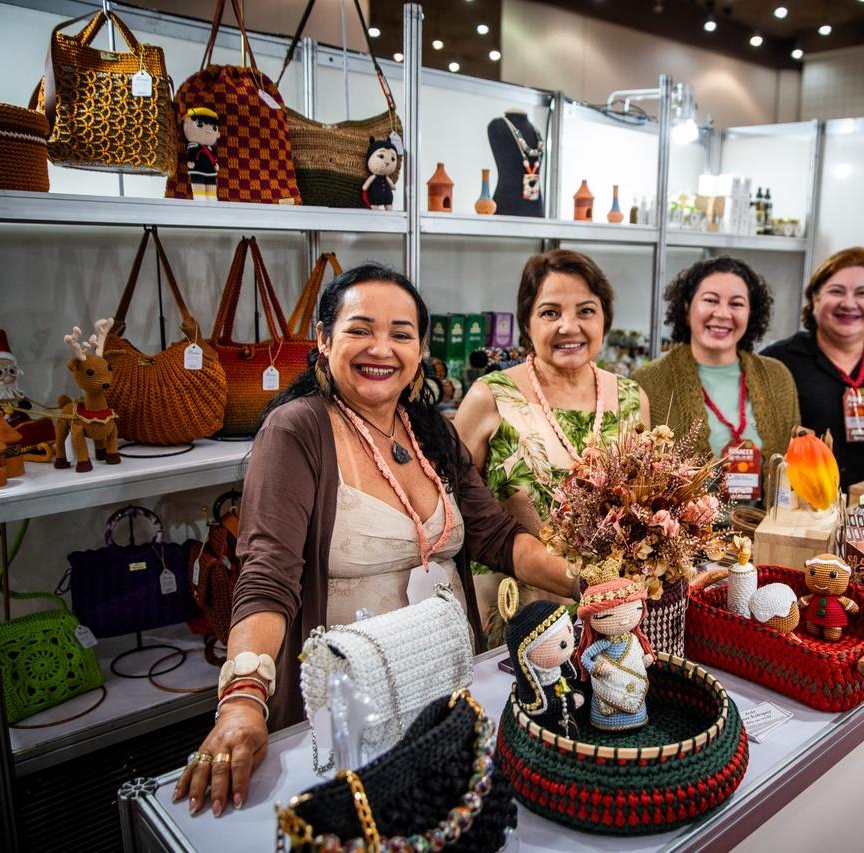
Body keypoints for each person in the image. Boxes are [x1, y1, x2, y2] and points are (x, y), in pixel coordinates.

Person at [174, 263, 574, 817]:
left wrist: (592, 580)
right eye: (360, 329)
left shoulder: (430, 430)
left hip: (446, 687)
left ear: (419, 352)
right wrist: (243, 699)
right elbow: (268, 575)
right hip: (349, 705)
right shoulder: (296, 431)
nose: (380, 348)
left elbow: (499, 538)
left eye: (401, 334)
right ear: (323, 339)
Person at [456, 249, 649, 642]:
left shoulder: (631, 398)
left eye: (585, 311)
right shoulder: (490, 397)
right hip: (511, 612)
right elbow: (452, 507)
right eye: (550, 313)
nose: (569, 327)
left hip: (612, 615)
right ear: (527, 323)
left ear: (605, 319)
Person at [632, 256, 799, 502]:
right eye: (710, 300)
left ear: (751, 313)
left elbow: (793, 471)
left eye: (737, 304)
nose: (722, 313)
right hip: (683, 539)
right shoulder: (650, 381)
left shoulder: (777, 378)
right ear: (687, 308)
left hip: (768, 535)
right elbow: (638, 478)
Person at [762, 246, 864, 492]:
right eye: (836, 291)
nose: (849, 303)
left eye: (863, 293)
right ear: (815, 299)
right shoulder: (778, 362)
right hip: (797, 513)